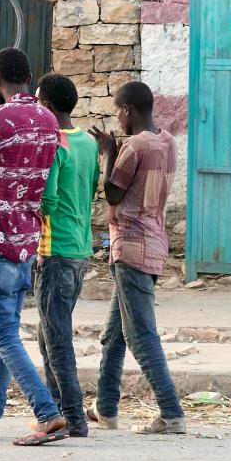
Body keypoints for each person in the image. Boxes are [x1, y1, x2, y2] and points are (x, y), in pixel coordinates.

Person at [0, 47, 68, 446]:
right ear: (29, 76)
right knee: (8, 333)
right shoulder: (48, 120)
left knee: (3, 335)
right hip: (26, 240)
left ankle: (48, 413)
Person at [86, 81, 186, 435]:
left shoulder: (135, 145)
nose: (117, 117)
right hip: (153, 243)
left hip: (130, 246)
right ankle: (106, 408)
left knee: (141, 335)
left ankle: (171, 413)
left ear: (127, 110)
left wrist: (108, 152)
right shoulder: (167, 142)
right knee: (113, 337)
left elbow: (112, 193)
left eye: (117, 110)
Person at [34, 73, 100, 438]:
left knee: (56, 338)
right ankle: (58, 410)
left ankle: (71, 417)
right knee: (49, 334)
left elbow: (47, 200)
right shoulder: (89, 144)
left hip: (55, 250)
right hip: (80, 248)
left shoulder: (54, 144)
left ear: (46, 105)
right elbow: (90, 190)